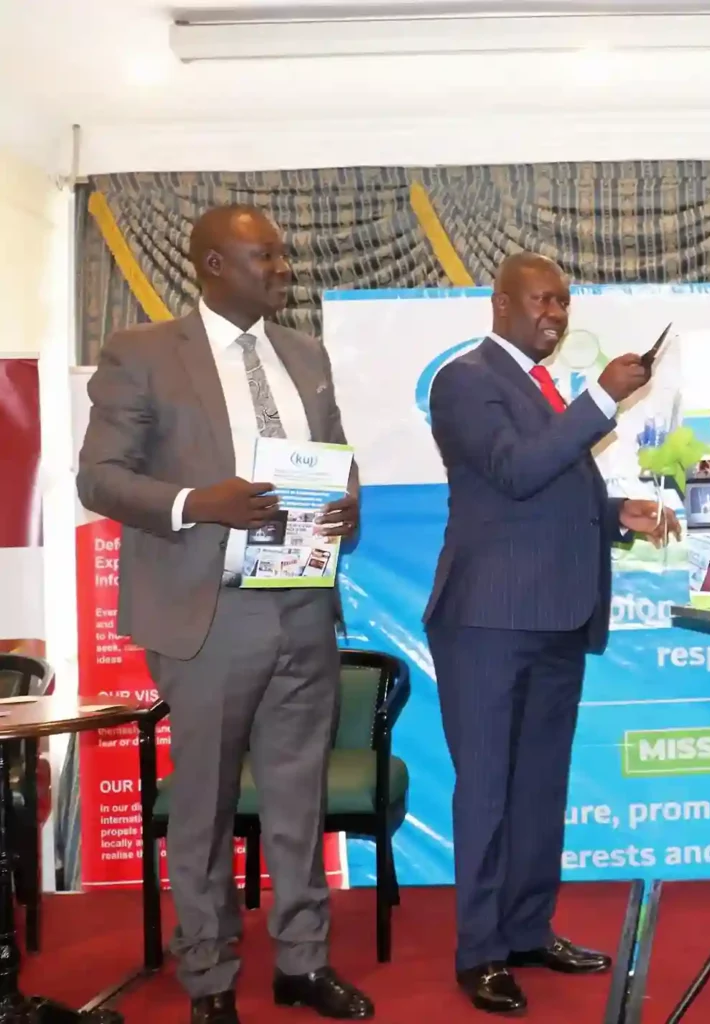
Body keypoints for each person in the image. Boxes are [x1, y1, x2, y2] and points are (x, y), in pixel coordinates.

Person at [77, 205, 370, 1024]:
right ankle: (208, 978)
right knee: (202, 805)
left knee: (296, 795)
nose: (282, 268)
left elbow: (338, 460)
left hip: (303, 606)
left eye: (281, 255)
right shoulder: (141, 354)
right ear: (211, 264)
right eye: (264, 256)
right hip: (206, 613)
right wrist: (195, 502)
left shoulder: (306, 356)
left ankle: (302, 963)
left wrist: (350, 506)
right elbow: (97, 478)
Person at [424, 252, 679, 1016]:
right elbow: (514, 470)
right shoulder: (466, 379)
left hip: (556, 617)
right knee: (489, 794)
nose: (556, 315)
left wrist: (615, 515)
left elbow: (544, 495)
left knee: (538, 788)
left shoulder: (543, 389)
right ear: (498, 303)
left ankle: (528, 929)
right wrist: (602, 398)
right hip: (489, 622)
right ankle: (481, 953)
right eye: (541, 300)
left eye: (565, 303)